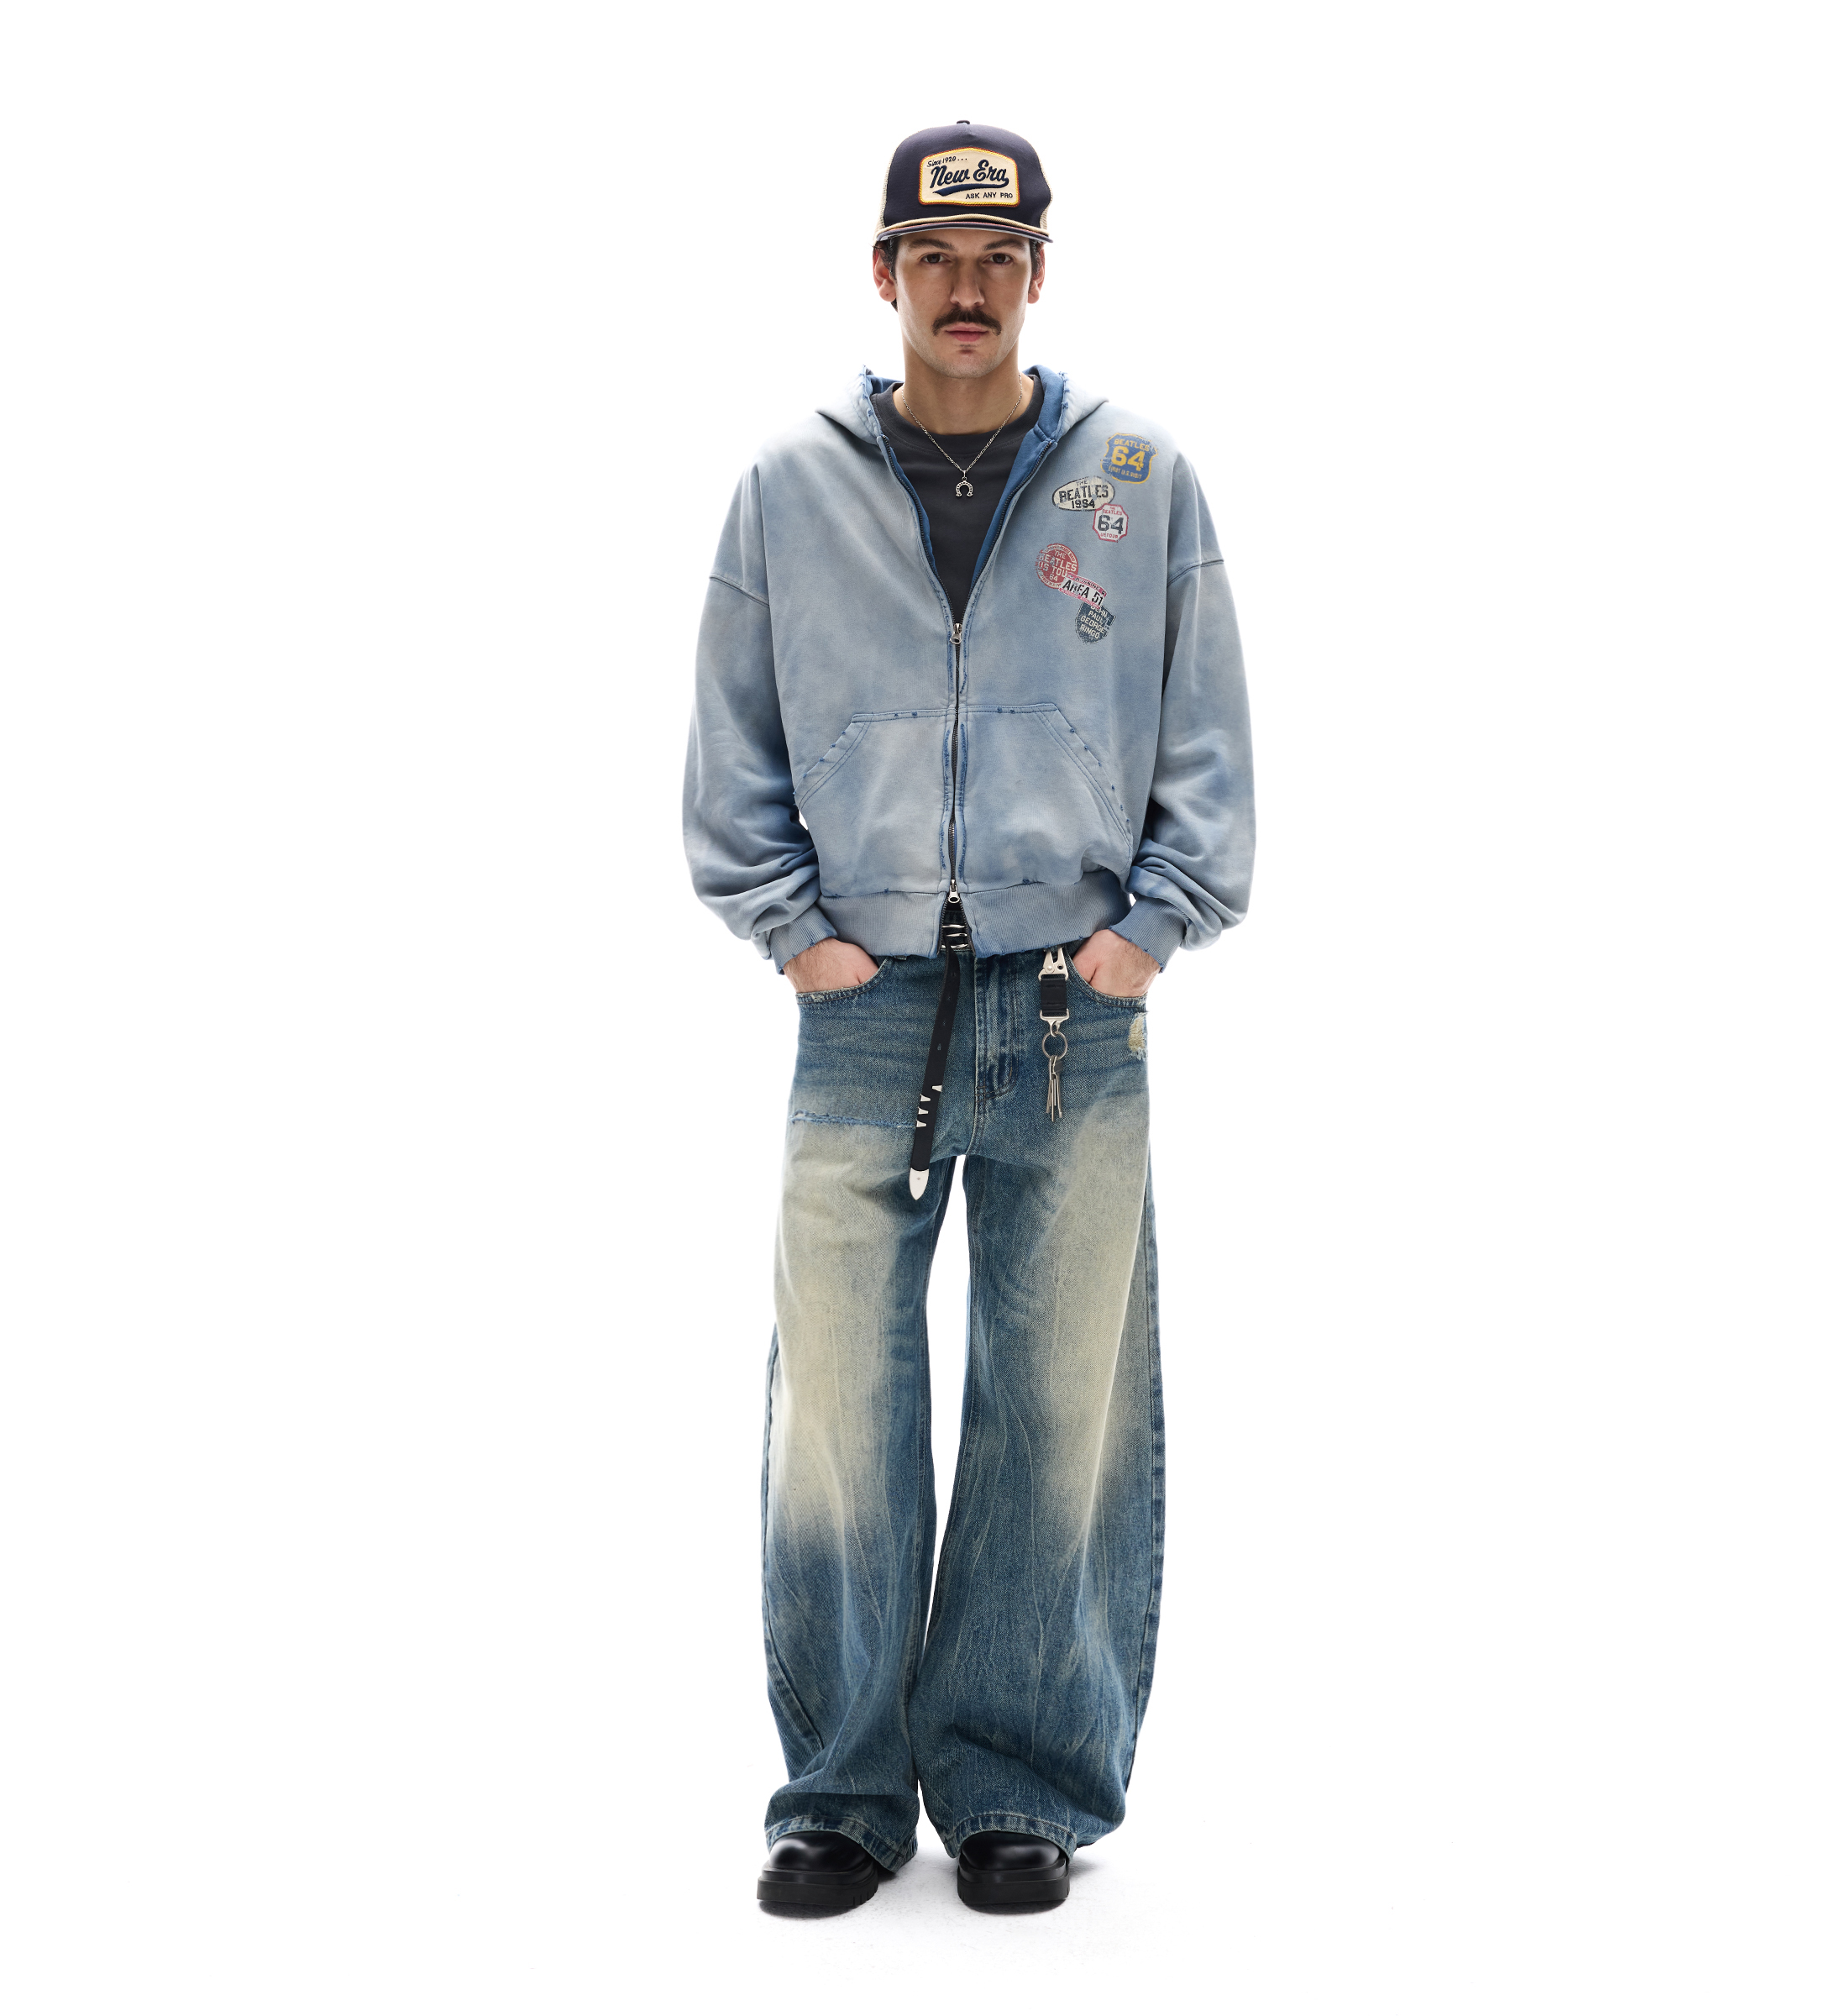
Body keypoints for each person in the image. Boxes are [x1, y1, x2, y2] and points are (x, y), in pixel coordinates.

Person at [683, 120, 1255, 1912]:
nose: (967, 288)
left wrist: (1146, 936)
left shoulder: (1137, 477)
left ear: (1037, 277)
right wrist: (795, 934)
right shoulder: (790, 487)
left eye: (1000, 258)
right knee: (838, 1412)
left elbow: (1207, 735)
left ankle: (1018, 1785)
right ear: (884, 273)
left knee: (1059, 1397)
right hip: (863, 1002)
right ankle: (841, 1793)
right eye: (935, 257)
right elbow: (731, 742)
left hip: (1076, 1002)